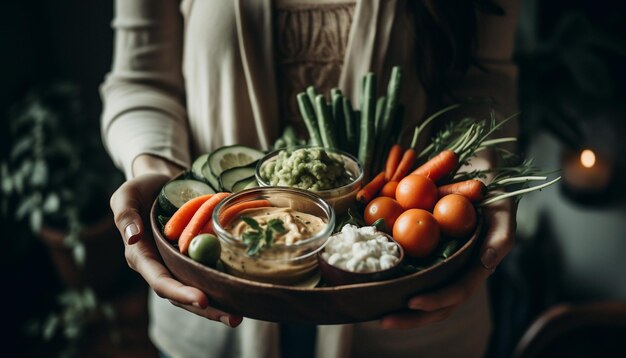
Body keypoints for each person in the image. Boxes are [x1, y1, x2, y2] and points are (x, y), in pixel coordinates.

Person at [101, 0, 520, 357]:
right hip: (218, 306)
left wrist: (479, 180)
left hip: (405, 309)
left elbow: (483, 80)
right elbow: (142, 80)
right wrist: (153, 168)